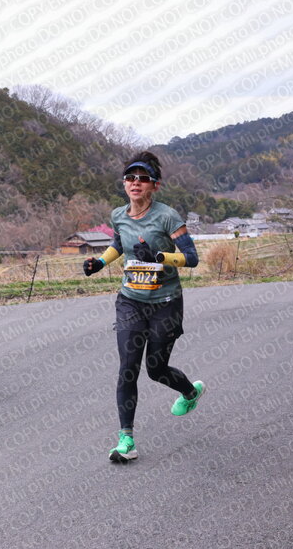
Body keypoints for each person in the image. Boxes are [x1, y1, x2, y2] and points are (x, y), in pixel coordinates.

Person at [83, 151, 205, 462]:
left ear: (155, 185)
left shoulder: (167, 216)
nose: (135, 183)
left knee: (156, 369)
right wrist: (99, 263)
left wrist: (161, 258)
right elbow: (118, 244)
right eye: (130, 177)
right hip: (130, 301)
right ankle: (126, 440)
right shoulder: (118, 215)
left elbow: (192, 258)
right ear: (124, 183)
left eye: (143, 178)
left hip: (165, 303)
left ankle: (190, 392)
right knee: (128, 368)